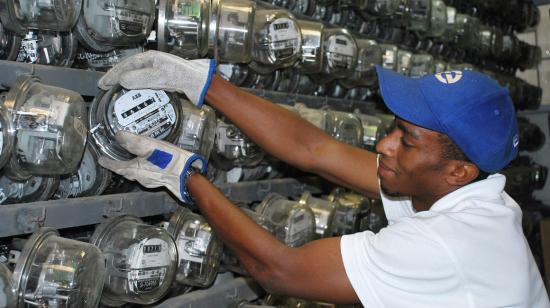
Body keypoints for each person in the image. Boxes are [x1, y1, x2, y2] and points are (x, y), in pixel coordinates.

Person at [97, 51, 550, 307]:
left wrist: (186, 177)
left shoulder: (445, 246)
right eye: (393, 129)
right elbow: (317, 150)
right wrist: (204, 83)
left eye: (406, 140)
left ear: (457, 170)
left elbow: (277, 271)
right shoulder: (470, 196)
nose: (384, 146)